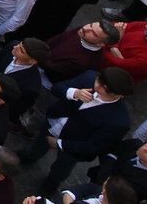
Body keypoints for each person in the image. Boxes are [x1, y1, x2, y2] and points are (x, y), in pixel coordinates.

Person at [22, 66, 135, 195]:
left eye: (106, 89)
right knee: (38, 145)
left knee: (61, 168)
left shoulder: (119, 121)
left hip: (72, 146)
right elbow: (57, 88)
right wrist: (74, 93)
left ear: (119, 94)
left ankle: (50, 184)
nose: (98, 87)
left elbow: (94, 146)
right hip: (53, 123)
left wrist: (59, 144)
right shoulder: (89, 77)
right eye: (99, 81)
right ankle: (29, 156)